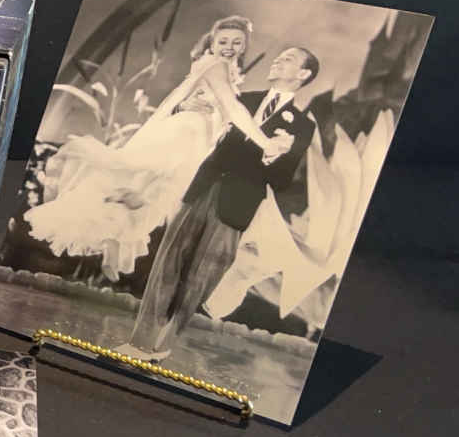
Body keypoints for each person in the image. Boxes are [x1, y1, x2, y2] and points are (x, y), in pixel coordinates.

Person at [25, 16, 288, 279]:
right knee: (153, 188)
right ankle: (113, 222)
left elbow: (207, 105)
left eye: (236, 42)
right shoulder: (215, 65)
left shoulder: (227, 71)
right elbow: (232, 107)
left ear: (244, 46)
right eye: (223, 41)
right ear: (212, 43)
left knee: (147, 195)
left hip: (196, 137)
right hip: (185, 133)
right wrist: (264, 142)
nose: (229, 47)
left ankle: (114, 238)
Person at [119, 46, 320, 361]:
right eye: (279, 56)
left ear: (303, 74)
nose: (278, 60)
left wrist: (277, 155)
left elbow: (281, 181)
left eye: (288, 59)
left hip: (238, 204)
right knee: (167, 263)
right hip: (203, 188)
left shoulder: (303, 126)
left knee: (202, 276)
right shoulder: (243, 99)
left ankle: (161, 347)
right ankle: (138, 343)